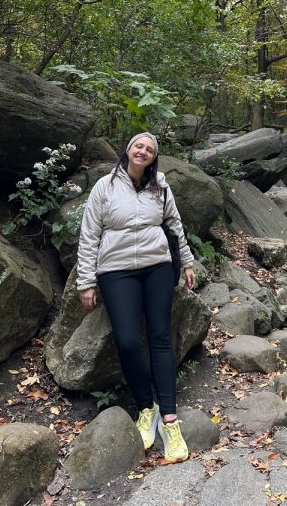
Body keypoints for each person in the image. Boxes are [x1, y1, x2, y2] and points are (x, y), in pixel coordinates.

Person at [76, 131, 196, 462]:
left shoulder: (160, 185)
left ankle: (169, 419)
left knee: (160, 336)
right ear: (127, 149)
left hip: (157, 264)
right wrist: (85, 281)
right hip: (115, 270)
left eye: (149, 149)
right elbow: (89, 234)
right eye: (138, 146)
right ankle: (147, 407)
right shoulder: (105, 186)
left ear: (154, 156)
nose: (143, 151)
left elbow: (175, 224)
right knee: (127, 340)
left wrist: (186, 261)